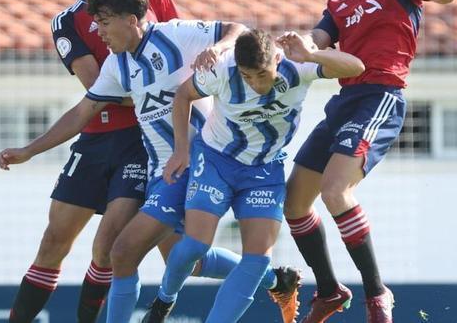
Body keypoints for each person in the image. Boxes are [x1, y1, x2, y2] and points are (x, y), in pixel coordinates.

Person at [0, 0, 297, 323]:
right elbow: (83, 112)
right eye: (96, 23)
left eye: (105, 23)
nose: (99, 31)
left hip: (200, 162)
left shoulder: (176, 35)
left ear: (131, 20)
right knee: (183, 260)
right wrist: (30, 150)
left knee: (122, 251)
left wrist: (219, 47)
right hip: (161, 171)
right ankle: (277, 279)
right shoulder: (116, 65)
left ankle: (267, 278)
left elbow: (236, 29)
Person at [283, 0, 456, 323]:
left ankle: (377, 294)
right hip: (344, 102)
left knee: (335, 191)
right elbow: (317, 40)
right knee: (293, 205)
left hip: (380, 96)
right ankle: (328, 291)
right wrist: (294, 46)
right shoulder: (338, 4)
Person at [5, 0, 179, 323]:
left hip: (144, 140)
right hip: (96, 139)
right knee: (53, 242)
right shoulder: (68, 21)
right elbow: (95, 87)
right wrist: (31, 150)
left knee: (109, 245)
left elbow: (178, 52)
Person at [152, 29, 364, 323]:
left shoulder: (297, 65)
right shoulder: (222, 69)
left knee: (258, 259)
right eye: (247, 77)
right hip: (216, 160)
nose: (254, 84)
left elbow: (357, 67)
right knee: (194, 247)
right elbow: (184, 94)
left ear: (276, 60)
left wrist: (312, 54)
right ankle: (163, 302)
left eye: (261, 76)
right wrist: (180, 150)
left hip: (264, 170)